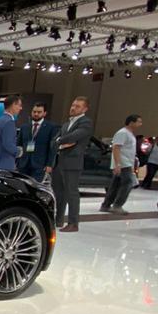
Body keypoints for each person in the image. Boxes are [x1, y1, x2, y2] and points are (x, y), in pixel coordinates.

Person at [52, 95, 94, 231]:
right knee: (58, 192)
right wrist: (61, 143)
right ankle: (58, 220)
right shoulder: (66, 124)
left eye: (77, 106)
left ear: (85, 109)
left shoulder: (86, 122)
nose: (73, 108)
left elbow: (75, 136)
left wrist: (60, 141)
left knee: (71, 193)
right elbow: (54, 141)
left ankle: (73, 223)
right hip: (59, 162)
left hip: (72, 163)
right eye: (73, 105)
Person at [100, 114, 142, 214]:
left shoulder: (129, 134)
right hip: (123, 164)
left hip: (127, 164)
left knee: (115, 185)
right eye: (139, 122)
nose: (140, 124)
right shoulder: (123, 133)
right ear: (131, 122)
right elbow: (116, 148)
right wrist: (118, 164)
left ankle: (106, 205)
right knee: (128, 184)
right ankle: (117, 205)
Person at [17, 99, 58, 181]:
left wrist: (49, 164)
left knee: (35, 186)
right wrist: (17, 161)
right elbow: (19, 144)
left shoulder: (51, 127)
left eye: (39, 112)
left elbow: (52, 148)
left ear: (44, 113)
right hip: (23, 164)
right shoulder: (24, 127)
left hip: (40, 165)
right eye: (34, 111)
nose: (36, 114)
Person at [0, 94, 22, 170]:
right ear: (13, 105)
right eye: (19, 105)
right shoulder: (9, 122)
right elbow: (8, 144)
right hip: (4, 164)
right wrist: (19, 151)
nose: (20, 108)